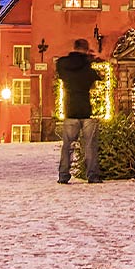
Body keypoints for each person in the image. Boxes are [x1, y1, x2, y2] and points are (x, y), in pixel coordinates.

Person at [55, 38, 103, 183]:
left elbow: (60, 67)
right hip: (86, 110)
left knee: (67, 146)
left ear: (74, 47)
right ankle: (92, 175)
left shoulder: (63, 64)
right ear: (86, 49)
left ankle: (63, 175)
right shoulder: (88, 67)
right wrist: (89, 60)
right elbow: (97, 78)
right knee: (89, 146)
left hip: (70, 109)